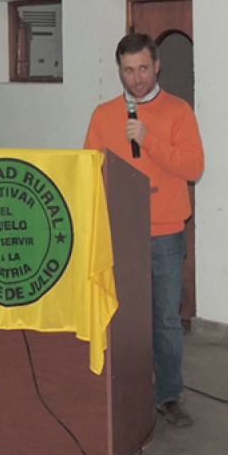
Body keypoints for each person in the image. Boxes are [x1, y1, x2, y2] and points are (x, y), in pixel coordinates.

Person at [84, 33, 204, 427]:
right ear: (119, 70)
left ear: (157, 66)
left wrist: (149, 141)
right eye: (129, 70)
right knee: (121, 317)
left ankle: (168, 395)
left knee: (165, 320)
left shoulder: (178, 111)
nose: (137, 78)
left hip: (165, 233)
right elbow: (89, 172)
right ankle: (126, 389)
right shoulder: (103, 115)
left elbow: (194, 167)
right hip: (119, 233)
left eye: (143, 68)